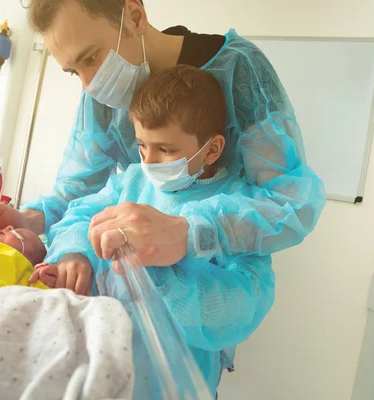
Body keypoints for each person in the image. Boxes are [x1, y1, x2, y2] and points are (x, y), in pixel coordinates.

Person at [0, 0, 325, 286]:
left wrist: (191, 232)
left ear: (133, 15)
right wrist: (29, 219)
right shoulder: (99, 98)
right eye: (73, 71)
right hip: (120, 284)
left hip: (209, 285)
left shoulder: (238, 72)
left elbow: (292, 203)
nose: (88, 84)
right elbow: (77, 191)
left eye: (91, 57)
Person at [29, 65, 275, 397]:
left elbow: (244, 303)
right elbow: (81, 214)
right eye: (142, 145)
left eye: (166, 149)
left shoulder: (236, 210)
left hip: (172, 377)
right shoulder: (132, 181)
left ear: (212, 150)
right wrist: (74, 255)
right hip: (103, 362)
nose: (150, 161)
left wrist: (161, 280)